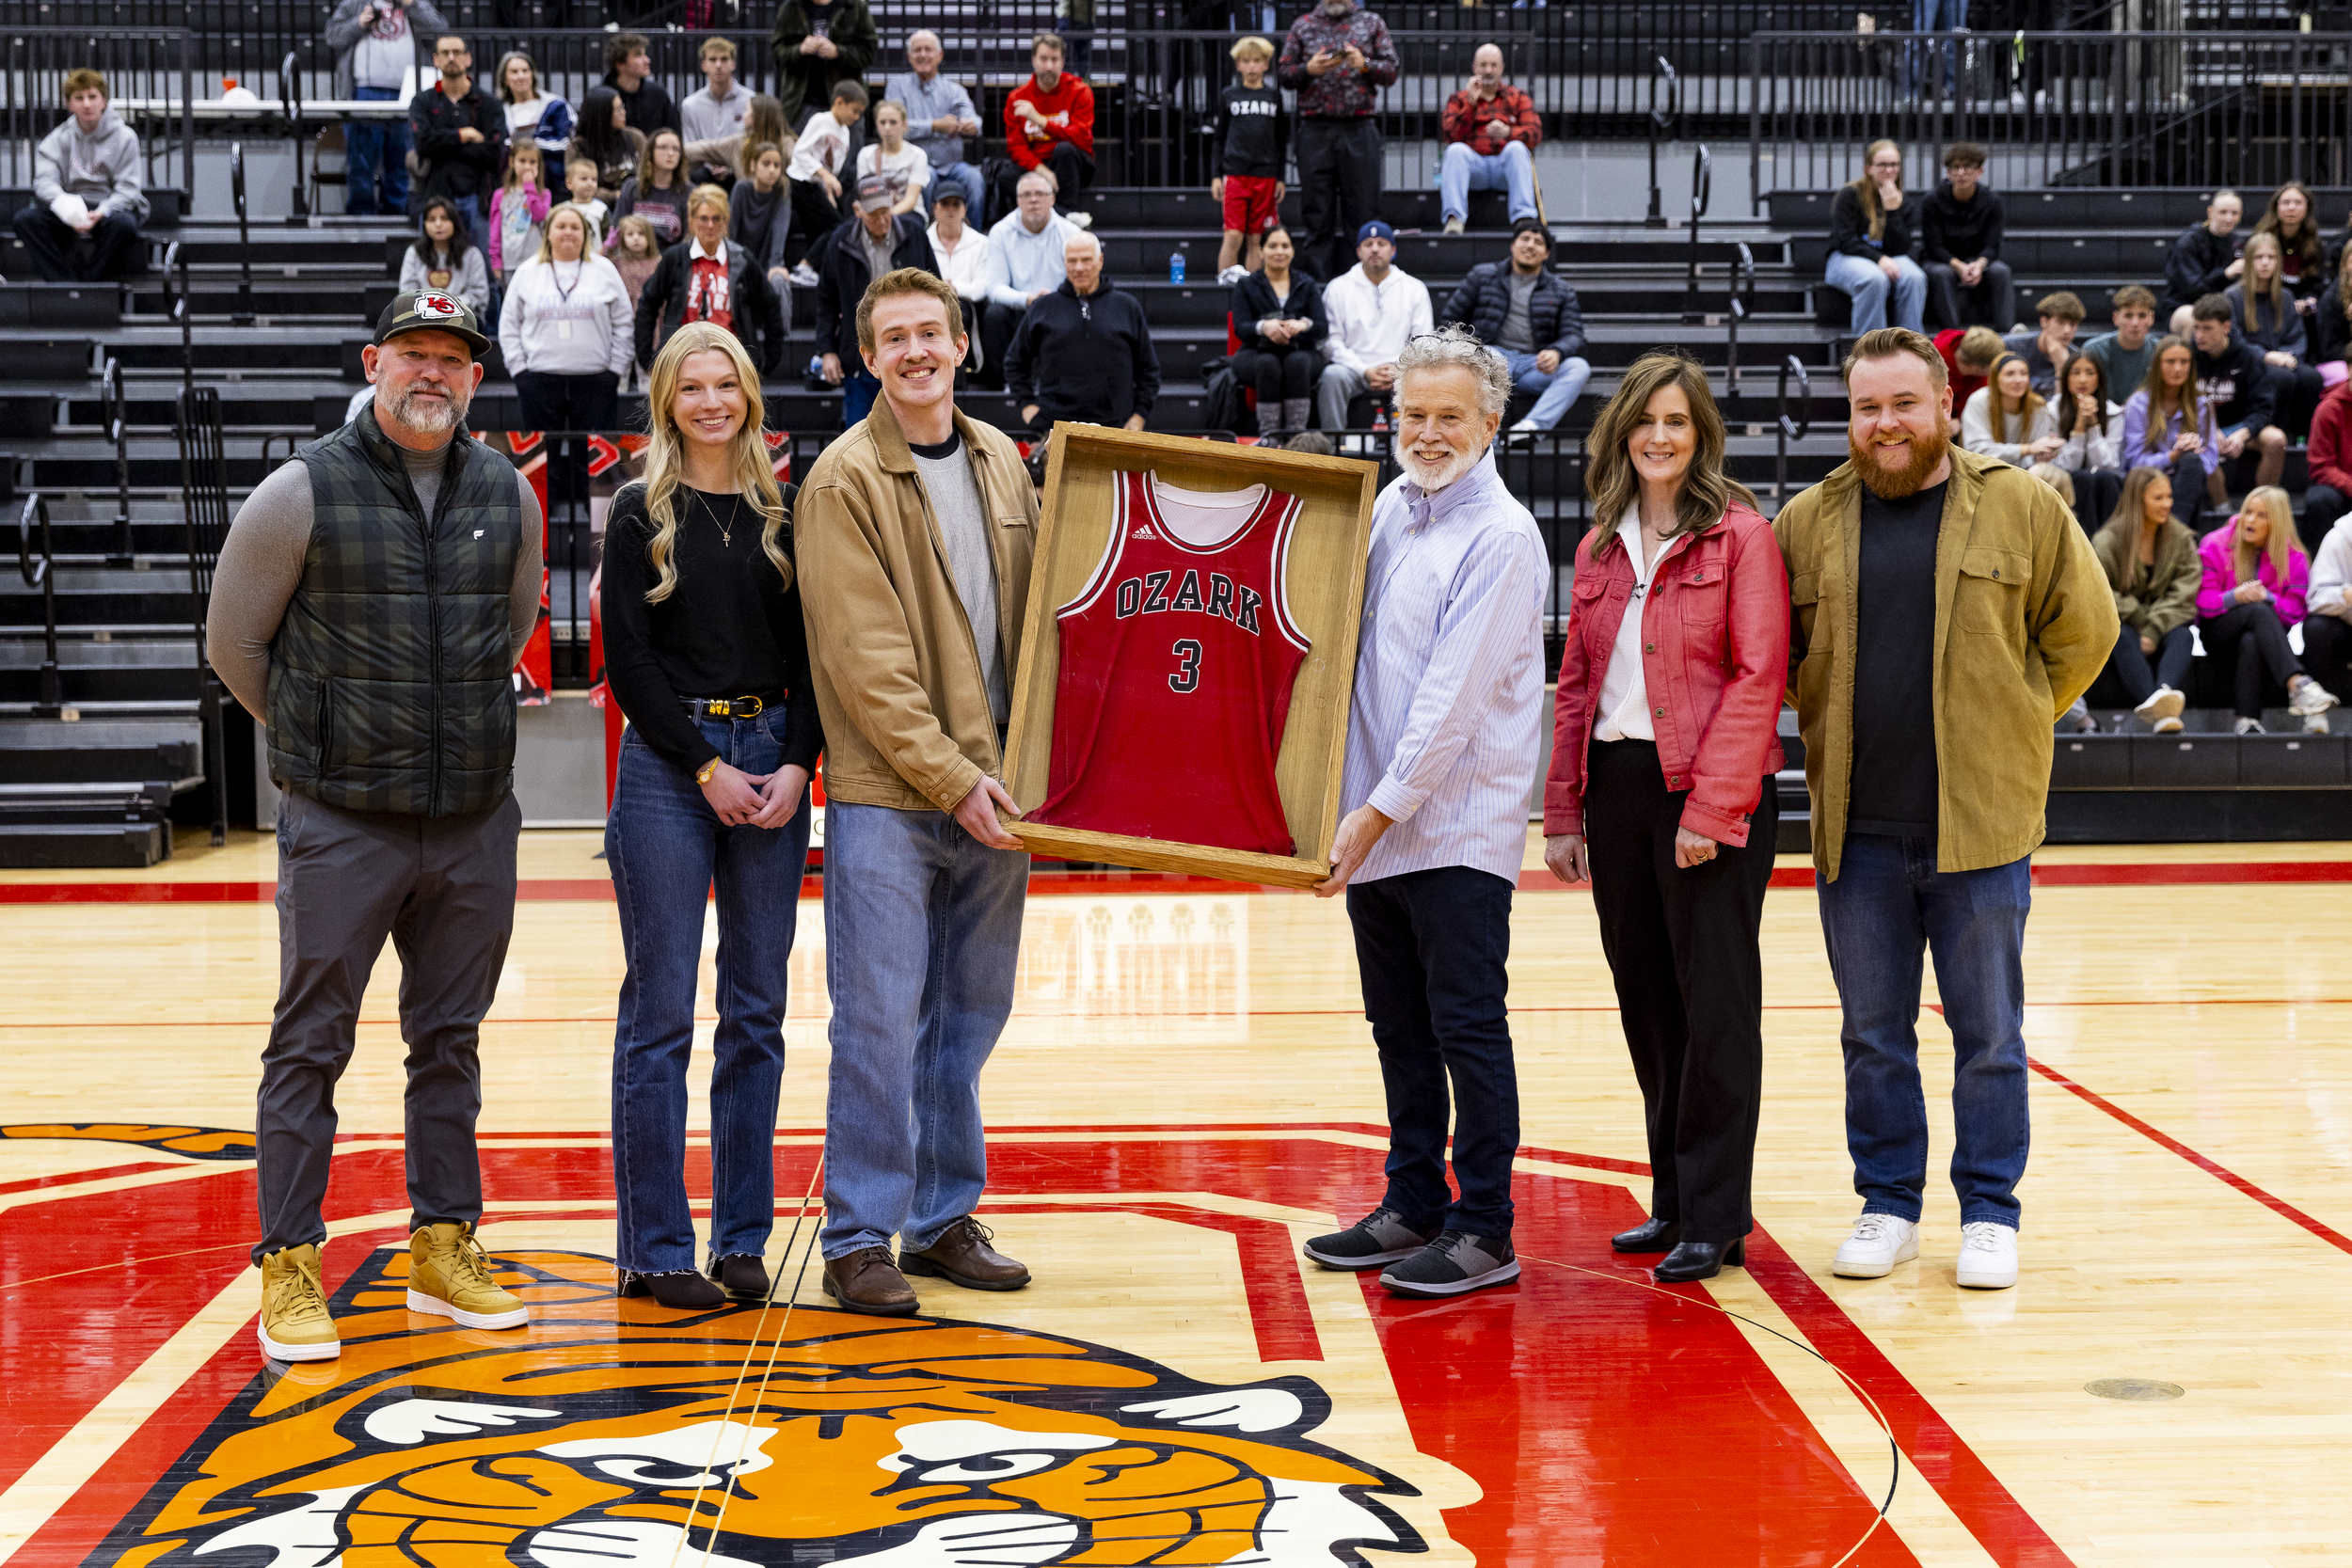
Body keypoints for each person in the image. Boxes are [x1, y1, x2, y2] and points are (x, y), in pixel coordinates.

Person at [206, 290, 545, 1361]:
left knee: (449, 1041)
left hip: (473, 823)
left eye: (453, 358)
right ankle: (290, 1262)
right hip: (342, 821)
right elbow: (233, 645)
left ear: (475, 378)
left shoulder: (507, 492)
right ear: (374, 362)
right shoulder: (299, 489)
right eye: (414, 354)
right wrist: (325, 739)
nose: (432, 373)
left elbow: (514, 624)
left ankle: (444, 1244)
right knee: (309, 1043)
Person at [1772, 326, 2115, 1292]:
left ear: (1941, 407)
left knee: (1990, 1035)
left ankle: (1989, 1211)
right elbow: (1780, 660)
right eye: (1865, 407)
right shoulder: (1806, 521)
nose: (1884, 424)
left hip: (1981, 829)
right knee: (1872, 1034)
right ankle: (1887, 1203)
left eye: (1901, 405)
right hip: (1858, 830)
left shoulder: (2017, 505)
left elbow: (2085, 630)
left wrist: (2010, 719)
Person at [796, 266, 1041, 1316]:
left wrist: (1033, 771)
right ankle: (856, 1232)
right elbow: (867, 668)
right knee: (881, 1020)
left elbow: (1049, 621)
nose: (914, 352)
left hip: (999, 791)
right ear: (868, 358)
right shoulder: (841, 481)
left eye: (928, 334)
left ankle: (941, 1217)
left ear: (960, 344)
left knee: (969, 1014)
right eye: (892, 338)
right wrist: (955, 781)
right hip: (890, 796)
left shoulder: (1004, 461)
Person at [1303, 325, 1546, 1299]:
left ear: (1490, 421)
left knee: (1466, 1028)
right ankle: (1412, 1200)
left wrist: (1369, 815)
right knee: (1397, 1027)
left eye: (1450, 415)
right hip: (1375, 827)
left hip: (1452, 830)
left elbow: (1447, 705)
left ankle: (1485, 1223)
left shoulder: (1503, 536)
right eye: (1414, 414)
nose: (1430, 432)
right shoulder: (1389, 509)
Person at [1542, 354, 1788, 1286]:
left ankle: (1718, 1213)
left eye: (1678, 421)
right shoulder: (1600, 546)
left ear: (1700, 434)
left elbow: (1757, 675)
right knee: (1649, 1004)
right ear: (1622, 434)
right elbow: (1576, 684)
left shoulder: (1741, 536)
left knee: (1715, 1004)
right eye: (1646, 421)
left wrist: (1712, 807)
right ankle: (1676, 1197)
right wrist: (1563, 806)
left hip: (1704, 790)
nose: (1660, 436)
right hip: (1616, 791)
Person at [601, 323, 820, 1310]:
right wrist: (702, 768)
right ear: (666, 399)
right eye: (690, 387)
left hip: (771, 760)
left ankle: (741, 1239)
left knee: (756, 1014)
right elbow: (629, 660)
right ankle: (653, 1248)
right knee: (657, 1018)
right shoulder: (634, 511)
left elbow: (820, 655)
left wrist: (795, 761)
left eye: (724, 384)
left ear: (748, 397)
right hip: (668, 768)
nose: (709, 402)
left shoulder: (788, 514)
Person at [501, 203, 632, 513]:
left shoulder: (604, 270)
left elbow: (624, 322)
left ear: (586, 235)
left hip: (596, 380)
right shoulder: (527, 272)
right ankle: (542, 517)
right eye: (561, 226)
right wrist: (520, 370)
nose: (568, 232)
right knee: (543, 455)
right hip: (538, 380)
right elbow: (508, 326)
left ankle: (595, 518)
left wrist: (615, 369)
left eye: (576, 227)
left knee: (591, 453)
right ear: (547, 233)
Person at [2196, 488, 2337, 734]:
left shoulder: (2294, 556)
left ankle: (2246, 721)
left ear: (2277, 521)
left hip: (2265, 636)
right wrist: (2235, 596)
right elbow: (2202, 602)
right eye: (2248, 511)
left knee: (2252, 637)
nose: (2250, 520)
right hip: (2219, 629)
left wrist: (2269, 597)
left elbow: (2297, 612)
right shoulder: (2215, 543)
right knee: (2257, 611)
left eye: (2261, 515)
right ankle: (2297, 684)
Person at [1279, 0, 1399, 282]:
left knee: (1363, 211)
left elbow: (1392, 70)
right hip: (1314, 130)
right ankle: (1318, 287)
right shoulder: (1303, 24)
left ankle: (1359, 285)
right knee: (1316, 213)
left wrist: (1365, 64)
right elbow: (1284, 73)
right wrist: (1308, 69)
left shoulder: (1372, 22)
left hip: (1360, 128)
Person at [1441, 217, 1590, 436]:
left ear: (1547, 254)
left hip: (1534, 365)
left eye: (1538, 242)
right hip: (1493, 356)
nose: (1530, 245)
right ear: (1512, 245)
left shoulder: (1561, 289)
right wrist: (1469, 350)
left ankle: (1531, 427)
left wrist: (1557, 352)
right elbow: (1450, 320)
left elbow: (1574, 334)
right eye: (1525, 239)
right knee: (1488, 358)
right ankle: (1485, 438)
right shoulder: (1483, 276)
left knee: (1579, 368)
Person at [816, 175, 942, 424]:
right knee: (860, 438)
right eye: (874, 214)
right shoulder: (840, 242)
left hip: (911, 354)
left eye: (886, 211)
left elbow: (935, 293)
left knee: (913, 434)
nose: (883, 220)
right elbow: (826, 301)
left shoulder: (914, 234)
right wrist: (827, 351)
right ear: (857, 210)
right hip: (861, 356)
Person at [1006, 231, 1158, 435]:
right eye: (1072, 261)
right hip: (1055, 429)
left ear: (1100, 260)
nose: (1079, 268)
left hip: (1116, 426)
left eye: (1086, 260)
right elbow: (1014, 362)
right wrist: (1027, 406)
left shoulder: (1127, 307)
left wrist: (1139, 415)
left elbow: (1148, 370)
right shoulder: (1043, 308)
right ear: (1064, 263)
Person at [634, 184, 788, 380]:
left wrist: (767, 362)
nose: (710, 225)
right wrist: (648, 358)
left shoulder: (742, 260)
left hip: (733, 364)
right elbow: (648, 302)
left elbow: (771, 304)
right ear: (691, 220)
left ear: (726, 222)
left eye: (717, 219)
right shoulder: (675, 259)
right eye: (703, 218)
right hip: (680, 363)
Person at [2090, 467, 2199, 733]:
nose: (2167, 504)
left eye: (2169, 497)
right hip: (2123, 626)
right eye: (2158, 498)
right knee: (2122, 635)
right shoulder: (2107, 540)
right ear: (2138, 500)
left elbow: (2185, 591)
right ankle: (2162, 710)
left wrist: (2153, 628)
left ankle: (2162, 696)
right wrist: (2138, 618)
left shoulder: (2181, 538)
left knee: (2184, 636)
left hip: (2163, 626)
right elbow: (2098, 591)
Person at [14, 70, 147, 284]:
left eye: (92, 97)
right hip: (69, 206)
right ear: (69, 104)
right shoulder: (58, 138)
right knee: (25, 220)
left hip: (107, 208)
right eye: (79, 98)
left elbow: (128, 189)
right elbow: (44, 182)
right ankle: (64, 283)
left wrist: (102, 211)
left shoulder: (125, 138)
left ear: (103, 101)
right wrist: (67, 208)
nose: (87, 104)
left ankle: (91, 283)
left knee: (124, 225)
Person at [327, 0, 444, 219]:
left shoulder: (416, 2)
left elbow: (440, 31)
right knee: (361, 160)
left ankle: (396, 215)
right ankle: (362, 215)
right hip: (364, 90)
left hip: (409, 92)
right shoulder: (354, 3)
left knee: (401, 160)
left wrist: (411, 6)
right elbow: (333, 36)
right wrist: (358, 23)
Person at [1318, 220, 1433, 435]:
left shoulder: (1414, 288)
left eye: (1381, 243)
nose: (1375, 249)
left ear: (1393, 250)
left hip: (1400, 369)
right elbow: (1331, 342)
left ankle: (1410, 451)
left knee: (1424, 378)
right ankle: (1333, 447)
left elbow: (1423, 342)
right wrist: (1365, 370)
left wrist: (1397, 368)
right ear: (1358, 251)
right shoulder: (1338, 288)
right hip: (1354, 369)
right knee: (1332, 376)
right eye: (1368, 243)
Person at [977, 169, 1077, 388]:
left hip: (1058, 307)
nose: (1033, 199)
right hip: (1018, 308)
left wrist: (1053, 300)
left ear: (1052, 199)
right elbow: (993, 287)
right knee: (994, 315)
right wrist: (1028, 299)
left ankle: (1062, 387)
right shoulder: (1000, 232)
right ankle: (1003, 389)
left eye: (1040, 194)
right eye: (1026, 195)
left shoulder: (1070, 233)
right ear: (1017, 201)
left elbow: (1079, 284)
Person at [1229, 227, 1327, 438]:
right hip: (1256, 351)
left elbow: (1321, 326)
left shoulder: (1306, 283)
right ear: (1261, 251)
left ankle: (1296, 436)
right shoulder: (1246, 285)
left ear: (1292, 251)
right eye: (1272, 246)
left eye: (1285, 246)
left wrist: (1303, 325)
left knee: (1297, 361)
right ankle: (1269, 437)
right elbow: (1241, 328)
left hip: (1301, 349)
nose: (1279, 251)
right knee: (1268, 363)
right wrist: (1263, 326)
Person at [408, 36, 504, 253]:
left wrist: (443, 144)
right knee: (435, 268)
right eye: (445, 53)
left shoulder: (488, 103)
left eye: (457, 52)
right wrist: (464, 135)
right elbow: (423, 144)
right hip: (436, 195)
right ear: (435, 60)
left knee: (486, 271)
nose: (451, 57)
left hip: (479, 195)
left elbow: (493, 152)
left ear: (468, 59)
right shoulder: (422, 102)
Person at [2224, 233, 2323, 439]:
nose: (2265, 263)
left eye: (2271, 257)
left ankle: (2303, 437)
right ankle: (2279, 432)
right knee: (2281, 377)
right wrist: (2266, 357)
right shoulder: (2233, 296)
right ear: (2249, 261)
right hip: (2251, 361)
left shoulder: (2285, 296)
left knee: (2312, 378)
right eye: (2259, 257)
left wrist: (2290, 356)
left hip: (2284, 357)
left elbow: (2297, 336)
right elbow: (2234, 339)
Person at [2188, 293, 2285, 499]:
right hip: (2198, 428)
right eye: (2196, 327)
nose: (2199, 335)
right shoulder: (2187, 355)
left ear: (2226, 327)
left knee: (2276, 440)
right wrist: (2206, 428)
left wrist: (2243, 433)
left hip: (2239, 426)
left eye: (2207, 328)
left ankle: (2264, 507)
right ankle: (2222, 513)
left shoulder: (2248, 357)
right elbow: (2178, 403)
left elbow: (2263, 409)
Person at [1438, 44, 1540, 235]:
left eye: (1493, 65)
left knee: (1517, 148)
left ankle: (1524, 219)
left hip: (1505, 168)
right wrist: (1470, 104)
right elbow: (1450, 136)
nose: (1488, 70)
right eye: (1483, 65)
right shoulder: (1459, 99)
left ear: (1501, 68)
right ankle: (1454, 220)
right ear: (1474, 67)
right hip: (1474, 168)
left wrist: (1508, 132)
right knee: (1455, 151)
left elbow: (1535, 134)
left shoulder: (1518, 97)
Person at [887, 30, 987, 226]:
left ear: (940, 55)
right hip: (914, 163)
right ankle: (925, 238)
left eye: (928, 50)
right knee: (926, 176)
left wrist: (970, 125)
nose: (923, 55)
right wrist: (934, 126)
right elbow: (894, 127)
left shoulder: (954, 90)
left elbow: (976, 122)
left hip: (953, 165)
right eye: (917, 50)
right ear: (909, 57)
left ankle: (975, 237)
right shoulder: (897, 87)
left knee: (974, 178)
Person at [1827, 141, 1926, 335]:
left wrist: (1893, 211)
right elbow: (1845, 240)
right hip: (1845, 257)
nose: (1889, 170)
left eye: (1894, 164)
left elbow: (1901, 247)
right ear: (1869, 168)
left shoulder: (1902, 200)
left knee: (1915, 277)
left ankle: (1912, 346)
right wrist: (1878, 259)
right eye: (1882, 165)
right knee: (1874, 279)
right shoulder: (1850, 194)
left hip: (1888, 257)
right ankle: (1870, 350)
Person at [1211, 36, 1287, 282]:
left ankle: (1253, 289)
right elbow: (1219, 138)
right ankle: (1225, 282)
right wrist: (1215, 175)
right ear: (1238, 65)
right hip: (1235, 174)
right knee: (1233, 235)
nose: (1252, 66)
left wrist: (1281, 177)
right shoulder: (1229, 95)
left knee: (1257, 238)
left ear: (1266, 64)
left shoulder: (1273, 96)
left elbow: (1281, 140)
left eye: (1257, 61)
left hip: (1265, 175)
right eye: (1246, 61)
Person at [2120, 333, 2217, 525]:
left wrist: (2192, 450)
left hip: (2188, 480)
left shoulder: (2201, 404)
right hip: (2148, 482)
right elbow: (2134, 463)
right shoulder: (2138, 404)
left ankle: (2175, 530)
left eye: (2184, 362)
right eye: (2170, 362)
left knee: (2192, 463)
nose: (2178, 368)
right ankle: (2178, 532)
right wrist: (2172, 456)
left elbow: (2211, 459)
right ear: (2157, 366)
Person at [1005, 33, 1095, 227]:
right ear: (1033, 61)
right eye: (1043, 59)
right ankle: (1068, 217)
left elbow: (1081, 138)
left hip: (1074, 163)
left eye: (1054, 59)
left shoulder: (1080, 91)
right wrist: (1042, 170)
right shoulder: (1017, 98)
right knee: (1005, 177)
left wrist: (1040, 120)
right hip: (1039, 165)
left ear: (1062, 62)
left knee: (1064, 150)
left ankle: (1066, 210)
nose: (1049, 66)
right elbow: (1017, 147)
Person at [1919, 142, 2010, 331]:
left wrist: (1979, 264)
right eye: (1955, 168)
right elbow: (1933, 246)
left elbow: (1992, 244)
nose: (1961, 173)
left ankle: (2005, 334)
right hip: (1941, 260)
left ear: (1980, 172)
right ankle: (1952, 334)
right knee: (1941, 274)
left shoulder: (1992, 201)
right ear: (1948, 172)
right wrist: (1958, 266)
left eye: (1967, 168)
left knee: (2001, 271)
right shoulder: (1932, 201)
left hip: (1977, 259)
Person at [786, 79, 866, 268]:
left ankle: (815, 270)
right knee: (836, 226)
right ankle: (805, 266)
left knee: (819, 230)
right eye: (854, 110)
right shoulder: (821, 120)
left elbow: (832, 170)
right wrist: (825, 175)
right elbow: (800, 152)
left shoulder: (845, 132)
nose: (857, 117)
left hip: (817, 185)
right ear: (839, 102)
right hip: (801, 181)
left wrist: (827, 188)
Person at [770, 0, 878, 135]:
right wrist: (799, 49)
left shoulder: (854, 6)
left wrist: (838, 52)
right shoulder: (792, 6)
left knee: (846, 154)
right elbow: (776, 53)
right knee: (800, 153)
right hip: (801, 102)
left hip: (845, 102)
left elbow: (870, 53)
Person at [2048, 352, 2125, 533]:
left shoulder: (2114, 413)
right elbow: (2068, 466)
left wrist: (2093, 426)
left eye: (2090, 373)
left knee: (2104, 478)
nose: (2083, 379)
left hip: (2104, 483)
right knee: (2082, 478)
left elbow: (2108, 464)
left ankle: (2108, 543)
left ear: (2099, 378)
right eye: (2075, 373)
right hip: (2065, 481)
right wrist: (2079, 426)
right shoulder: (2051, 411)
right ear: (2066, 378)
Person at [1961, 351, 2059, 468]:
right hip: (1984, 470)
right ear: (1995, 379)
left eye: (2023, 373)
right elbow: (1977, 450)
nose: (2018, 380)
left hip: (2025, 473)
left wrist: (2038, 457)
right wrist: (2027, 449)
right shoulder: (1978, 401)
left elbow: (2033, 455)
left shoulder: (2038, 406)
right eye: (2010, 374)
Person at [495, 51, 572, 191]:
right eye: (514, 72)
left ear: (532, 75)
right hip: (511, 186)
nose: (521, 76)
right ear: (504, 79)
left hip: (553, 184)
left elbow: (566, 143)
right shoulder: (498, 110)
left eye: (525, 71)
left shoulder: (556, 105)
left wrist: (530, 147)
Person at [2161, 189, 2243, 319]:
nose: (2229, 218)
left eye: (2234, 213)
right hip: (2185, 305)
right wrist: (2225, 274)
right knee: (2193, 319)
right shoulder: (2187, 243)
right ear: (2210, 212)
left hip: (2223, 308)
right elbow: (2193, 290)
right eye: (2223, 212)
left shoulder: (2238, 243)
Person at [400, 196, 489, 313]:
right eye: (432, 219)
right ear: (425, 224)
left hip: (462, 319)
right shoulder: (414, 253)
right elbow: (407, 294)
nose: (438, 224)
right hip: (423, 320)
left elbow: (479, 297)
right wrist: (432, 309)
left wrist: (446, 308)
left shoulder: (471, 254)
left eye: (444, 218)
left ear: (454, 222)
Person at [680, 37, 752, 185]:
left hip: (740, 171)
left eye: (724, 59)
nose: (718, 65)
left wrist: (730, 166)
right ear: (704, 65)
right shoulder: (690, 105)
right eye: (712, 60)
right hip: (703, 173)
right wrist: (710, 165)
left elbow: (752, 143)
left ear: (733, 64)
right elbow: (689, 147)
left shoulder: (750, 101)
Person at [2080, 284, 2162, 405]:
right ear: (2116, 318)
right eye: (2128, 315)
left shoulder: (2161, 351)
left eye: (2142, 316)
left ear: (2151, 318)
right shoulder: (2093, 350)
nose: (2135, 323)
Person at [612, 129, 692, 251]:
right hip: (633, 259)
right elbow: (617, 230)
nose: (670, 153)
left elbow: (689, 240)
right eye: (663, 147)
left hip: (671, 262)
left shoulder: (689, 192)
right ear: (650, 152)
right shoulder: (632, 187)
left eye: (676, 149)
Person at [567, 86, 644, 207]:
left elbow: (648, 174)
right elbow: (577, 185)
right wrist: (614, 195)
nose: (623, 113)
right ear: (602, 114)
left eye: (622, 107)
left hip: (635, 201)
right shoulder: (578, 146)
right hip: (595, 204)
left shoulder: (635, 137)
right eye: (618, 109)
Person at [730, 142, 792, 293]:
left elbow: (779, 231)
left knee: (779, 281)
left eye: (777, 165)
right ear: (753, 165)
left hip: (767, 266)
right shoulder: (741, 189)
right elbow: (730, 232)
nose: (772, 170)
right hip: (738, 262)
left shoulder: (782, 192)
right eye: (766, 164)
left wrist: (775, 266)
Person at [2303, 510, 2352, 701]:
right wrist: (2346, 594)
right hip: (2345, 628)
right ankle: (2316, 711)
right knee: (2316, 627)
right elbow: (2315, 599)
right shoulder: (2339, 538)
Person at [2252, 182, 2326, 307]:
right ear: (2276, 207)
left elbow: (2317, 283)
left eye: (2298, 203)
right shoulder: (2260, 240)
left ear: (2307, 208)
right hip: (2267, 302)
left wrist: (2307, 299)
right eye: (2286, 202)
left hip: (2303, 306)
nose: (2291, 207)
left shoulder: (2316, 243)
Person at [487, 142, 550, 288]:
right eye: (522, 161)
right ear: (511, 162)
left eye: (532, 162)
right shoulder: (500, 195)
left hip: (536, 261)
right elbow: (495, 231)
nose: (527, 166)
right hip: (510, 262)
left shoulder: (544, 194)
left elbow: (539, 215)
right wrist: (496, 260)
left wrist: (529, 187)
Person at [2302, 377, 2352, 549]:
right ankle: (2318, 566)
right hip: (2342, 489)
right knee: (2320, 499)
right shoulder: (2329, 408)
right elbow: (2321, 466)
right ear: (2349, 368)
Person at [858, 102, 931, 217]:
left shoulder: (917, 155)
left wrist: (887, 217)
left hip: (909, 214)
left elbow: (911, 200)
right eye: (882, 122)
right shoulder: (866, 154)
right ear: (876, 124)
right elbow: (866, 195)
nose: (887, 128)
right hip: (876, 215)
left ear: (904, 125)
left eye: (893, 122)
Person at [2002, 291, 2083, 396]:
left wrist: (2061, 367)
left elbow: (2065, 408)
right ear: (2044, 322)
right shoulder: (2011, 346)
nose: (2067, 330)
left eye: (2072, 325)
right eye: (2060, 322)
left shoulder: (2078, 359)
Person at [603, 34, 678, 142]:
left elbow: (673, 133)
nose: (647, 60)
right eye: (638, 55)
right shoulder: (602, 97)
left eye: (645, 54)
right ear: (620, 64)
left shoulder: (658, 94)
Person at [1932, 323, 2003, 413]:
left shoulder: (1972, 348)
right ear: (1975, 367)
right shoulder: (1931, 370)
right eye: (1993, 367)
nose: (1996, 369)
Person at [612, 214, 663, 310]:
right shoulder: (616, 263)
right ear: (622, 238)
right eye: (630, 234)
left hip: (651, 313)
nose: (636, 238)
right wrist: (609, 246)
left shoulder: (659, 262)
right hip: (625, 312)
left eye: (641, 233)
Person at [564, 156, 610, 247]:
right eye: (584, 179)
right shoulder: (564, 209)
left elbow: (607, 235)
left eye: (594, 179)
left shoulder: (601, 208)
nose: (590, 183)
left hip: (596, 256)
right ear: (569, 183)